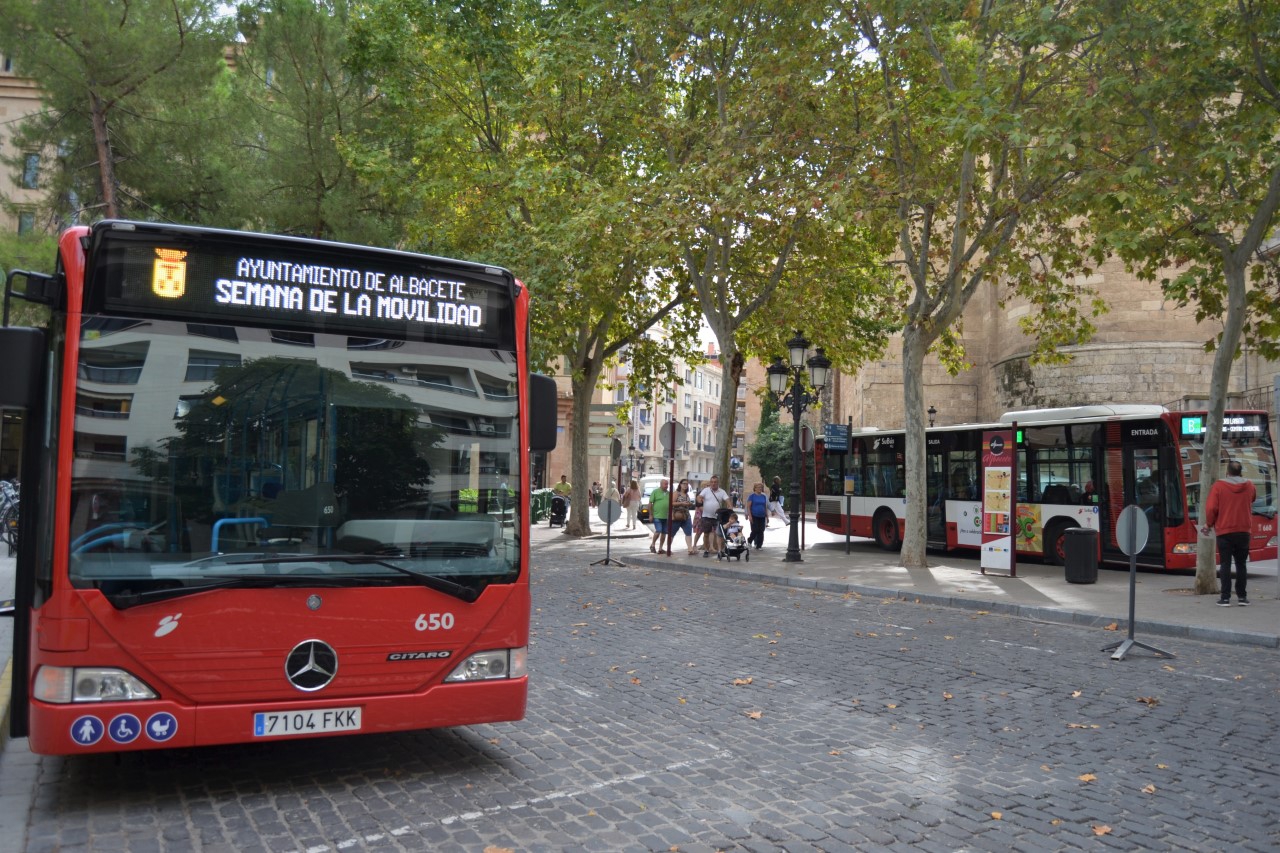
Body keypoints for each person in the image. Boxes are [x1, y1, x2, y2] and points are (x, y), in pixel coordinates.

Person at [1203, 460, 1256, 606]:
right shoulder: (1250, 485)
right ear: (1241, 472)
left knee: (1225, 564)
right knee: (1241, 564)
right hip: (1244, 530)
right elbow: (1252, 498)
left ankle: (1225, 598)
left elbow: (1211, 508)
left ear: (1227, 472)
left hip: (1224, 530)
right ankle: (1242, 597)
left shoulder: (1218, 486)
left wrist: (1209, 524)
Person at [697, 475, 731, 557]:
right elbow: (699, 496)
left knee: (719, 534)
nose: (713, 483)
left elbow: (727, 500)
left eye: (715, 482)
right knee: (706, 534)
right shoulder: (706, 490)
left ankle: (719, 550)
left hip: (717, 517)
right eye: (712, 482)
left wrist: (730, 507)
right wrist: (699, 499)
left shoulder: (722, 492)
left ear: (718, 483)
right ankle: (706, 550)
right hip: (706, 516)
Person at [667, 478, 696, 555]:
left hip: (686, 516)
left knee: (688, 532)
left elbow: (687, 504)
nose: (685, 485)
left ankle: (690, 549)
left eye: (687, 484)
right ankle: (668, 548)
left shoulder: (687, 494)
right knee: (672, 533)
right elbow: (671, 503)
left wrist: (689, 504)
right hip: (677, 516)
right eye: (684, 484)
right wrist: (682, 503)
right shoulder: (676, 493)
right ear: (680, 484)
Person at [648, 478, 670, 554]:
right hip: (657, 515)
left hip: (666, 516)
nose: (666, 486)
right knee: (658, 530)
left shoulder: (669, 493)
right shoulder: (655, 492)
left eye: (667, 484)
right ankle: (653, 544)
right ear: (661, 484)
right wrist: (650, 514)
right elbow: (650, 503)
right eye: (665, 484)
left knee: (664, 532)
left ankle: (660, 548)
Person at [746, 482, 768, 549]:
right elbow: (748, 507)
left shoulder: (763, 496)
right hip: (754, 515)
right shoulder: (752, 496)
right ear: (755, 488)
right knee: (755, 530)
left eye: (761, 487)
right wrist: (750, 516)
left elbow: (765, 506)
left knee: (761, 530)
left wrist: (767, 516)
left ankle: (759, 545)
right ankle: (749, 540)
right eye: (758, 487)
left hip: (762, 516)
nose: (760, 489)